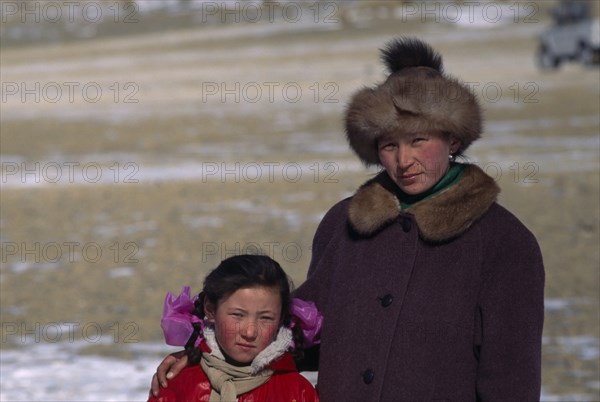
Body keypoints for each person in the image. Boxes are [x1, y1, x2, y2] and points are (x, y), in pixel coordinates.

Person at [151, 37, 545, 401]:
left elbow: (511, 379)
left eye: (418, 141)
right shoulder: (345, 224)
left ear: (453, 139)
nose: (404, 160)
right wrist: (200, 355)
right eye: (389, 145)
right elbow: (296, 335)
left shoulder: (505, 243)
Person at [148, 254, 320, 401]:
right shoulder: (177, 384)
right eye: (237, 315)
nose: (250, 332)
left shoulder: (299, 393)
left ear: (281, 318)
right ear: (210, 310)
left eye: (266, 318)